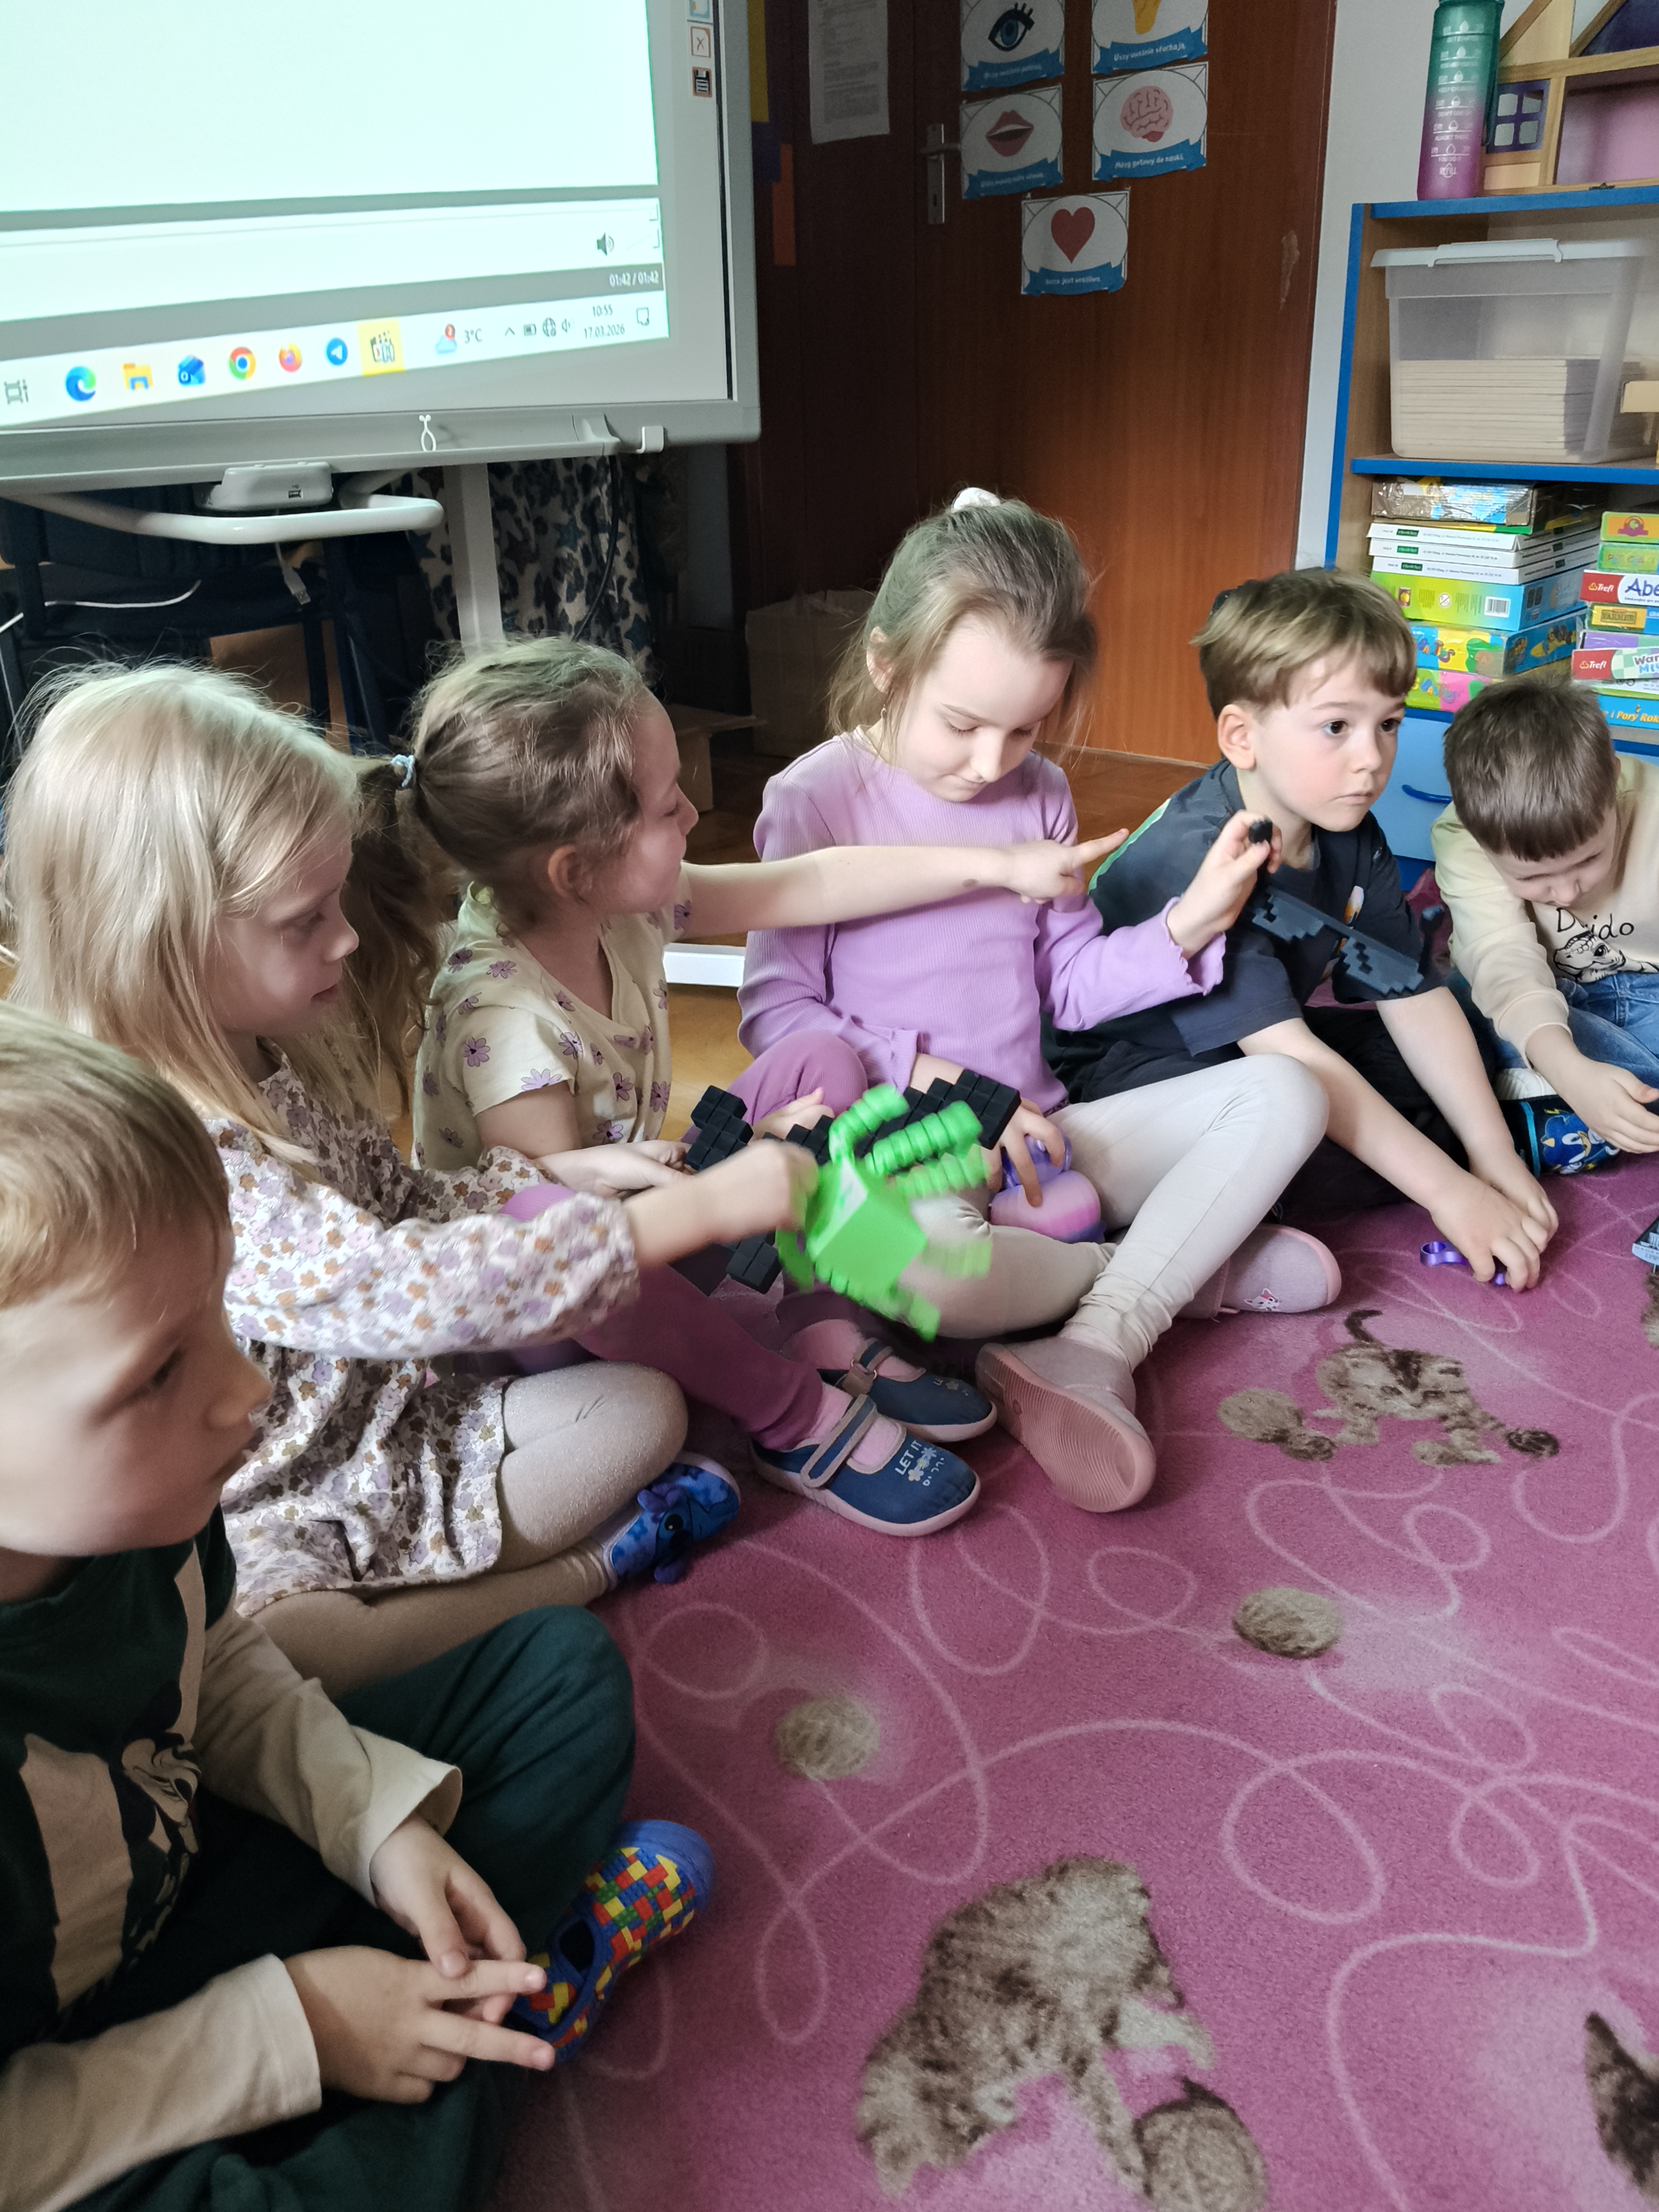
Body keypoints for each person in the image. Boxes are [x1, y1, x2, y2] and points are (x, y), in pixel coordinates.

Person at [0, 1004, 710, 2212]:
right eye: (159, 1371)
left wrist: (375, 1823)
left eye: (219, 1314)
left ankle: (454, 2019)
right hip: (58, 2089)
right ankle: (503, 2018)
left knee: (559, 1673)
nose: (247, 1387)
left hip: (170, 1902)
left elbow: (215, 1670)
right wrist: (291, 2028)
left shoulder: (129, 1516)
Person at [2, 663, 815, 1696]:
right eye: (305, 920)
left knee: (645, 1412)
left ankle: (514, 1563)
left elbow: (398, 1199)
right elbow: (392, 1284)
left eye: (335, 902)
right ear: (159, 937)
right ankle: (587, 1568)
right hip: (262, 1490)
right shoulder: (174, 1150)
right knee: (286, 1644)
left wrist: (551, 1175)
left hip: (399, 1417)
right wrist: (681, 1218)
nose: (345, 936)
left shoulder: (261, 1049)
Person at [408, 638, 1122, 1538]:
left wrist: (1000, 866)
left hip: (642, 1221)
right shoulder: (501, 1015)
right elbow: (563, 1234)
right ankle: (792, 1415)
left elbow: (812, 882)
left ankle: (824, 1325)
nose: (692, 810)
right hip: (547, 1323)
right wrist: (738, 1166)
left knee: (821, 1057)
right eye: (668, 804)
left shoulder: (616, 903)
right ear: (573, 868)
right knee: (561, 1227)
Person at [741, 491, 1343, 1515]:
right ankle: (1159, 1273)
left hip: (1044, 1139)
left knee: (1288, 1091)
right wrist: (957, 1094)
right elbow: (778, 1018)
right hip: (904, 1163)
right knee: (922, 1270)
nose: (991, 763)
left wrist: (1187, 925)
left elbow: (1068, 984)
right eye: (961, 725)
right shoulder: (814, 798)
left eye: (1024, 729)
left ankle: (1097, 1338)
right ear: (887, 665)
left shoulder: (1042, 792)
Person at [1047, 567, 1559, 1287]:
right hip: (1124, 1075)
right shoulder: (1200, 858)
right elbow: (1289, 1058)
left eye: (1388, 724)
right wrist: (1451, 1191)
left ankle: (1245, 1205)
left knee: (1456, 1039)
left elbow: (1410, 993)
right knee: (1298, 1126)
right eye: (1337, 727)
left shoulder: (1349, 827)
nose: (1372, 759)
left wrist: (1492, 1150)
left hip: (1256, 1047)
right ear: (1242, 737)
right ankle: (1174, 1225)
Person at [1433, 676, 1659, 1162]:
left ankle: (1539, 1099)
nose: (1567, 893)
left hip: (1648, 986)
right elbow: (1502, 958)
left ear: (1613, 778)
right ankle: (1572, 1091)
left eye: (1588, 859)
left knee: (1461, 1065)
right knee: (1448, 1015)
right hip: (1532, 986)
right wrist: (1567, 1067)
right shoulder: (1464, 836)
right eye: (1533, 878)